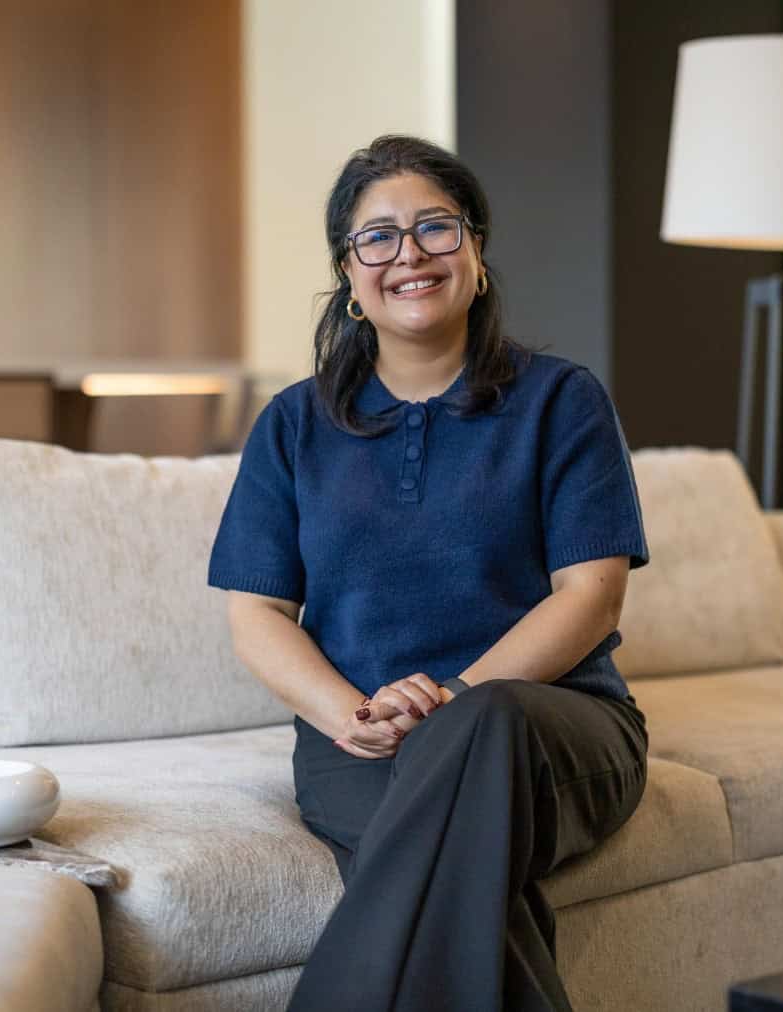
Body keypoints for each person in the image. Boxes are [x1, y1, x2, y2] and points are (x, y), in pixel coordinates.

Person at [207, 134, 650, 1012]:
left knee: (479, 732)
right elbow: (256, 610)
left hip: (544, 727)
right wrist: (352, 715)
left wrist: (453, 701)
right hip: (358, 741)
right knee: (467, 887)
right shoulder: (293, 424)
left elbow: (592, 597)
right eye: (378, 237)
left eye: (435, 229)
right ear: (350, 273)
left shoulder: (562, 401)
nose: (408, 253)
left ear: (477, 255)